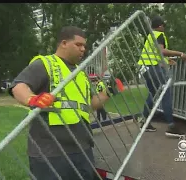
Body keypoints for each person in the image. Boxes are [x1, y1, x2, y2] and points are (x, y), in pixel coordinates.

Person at [8, 26, 111, 180]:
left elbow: (90, 104)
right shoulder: (45, 63)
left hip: (82, 147)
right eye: (78, 44)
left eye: (85, 46)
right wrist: (32, 99)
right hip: (51, 151)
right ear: (63, 43)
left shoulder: (81, 73)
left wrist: (108, 92)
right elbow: (19, 86)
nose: (83, 49)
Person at [137, 15, 186, 137]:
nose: (164, 27)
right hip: (153, 68)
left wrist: (167, 60)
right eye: (163, 25)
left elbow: (154, 53)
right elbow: (161, 51)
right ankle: (171, 126)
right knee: (166, 93)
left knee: (151, 93)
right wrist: (180, 53)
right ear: (160, 26)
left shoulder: (149, 36)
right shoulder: (159, 35)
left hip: (145, 68)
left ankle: (144, 122)